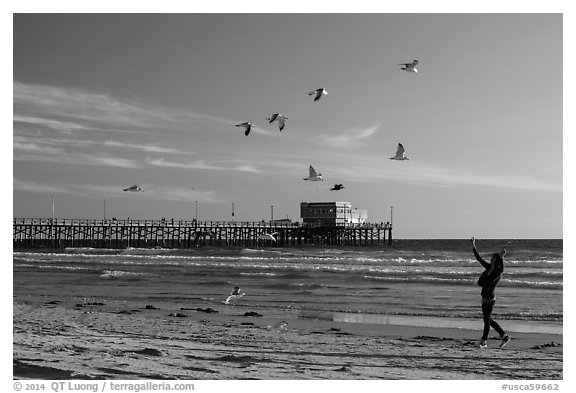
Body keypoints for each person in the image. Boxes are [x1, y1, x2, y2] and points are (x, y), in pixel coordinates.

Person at [470, 237, 511, 348]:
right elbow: (479, 258)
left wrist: (502, 257)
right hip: (484, 298)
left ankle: (484, 341)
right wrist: (473, 246)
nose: (490, 257)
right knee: (487, 319)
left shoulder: (498, 271)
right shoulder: (488, 268)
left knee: (487, 321)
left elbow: (502, 269)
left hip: (490, 299)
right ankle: (504, 335)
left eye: (493, 257)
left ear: (495, 259)